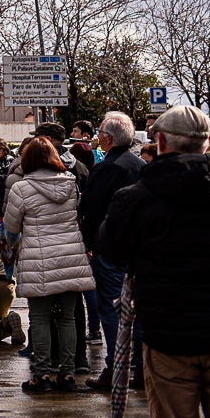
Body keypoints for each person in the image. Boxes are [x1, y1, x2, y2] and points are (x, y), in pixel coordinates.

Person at [99, 105, 210, 418]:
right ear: (209, 140)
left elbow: (111, 250)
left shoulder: (135, 198)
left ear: (159, 141)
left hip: (167, 339)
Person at [0, 136, 94, 393]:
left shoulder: (21, 188)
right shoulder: (71, 184)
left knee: (39, 318)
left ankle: (40, 376)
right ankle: (67, 374)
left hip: (38, 259)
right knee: (67, 318)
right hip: (70, 256)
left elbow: (11, 227)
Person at [78, 109, 146, 392]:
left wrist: (91, 244)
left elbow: (89, 210)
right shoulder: (140, 165)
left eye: (100, 134)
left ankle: (115, 366)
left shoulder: (106, 168)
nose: (97, 138)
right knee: (136, 309)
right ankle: (141, 367)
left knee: (111, 307)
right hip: (138, 248)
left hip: (110, 248)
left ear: (108, 139)